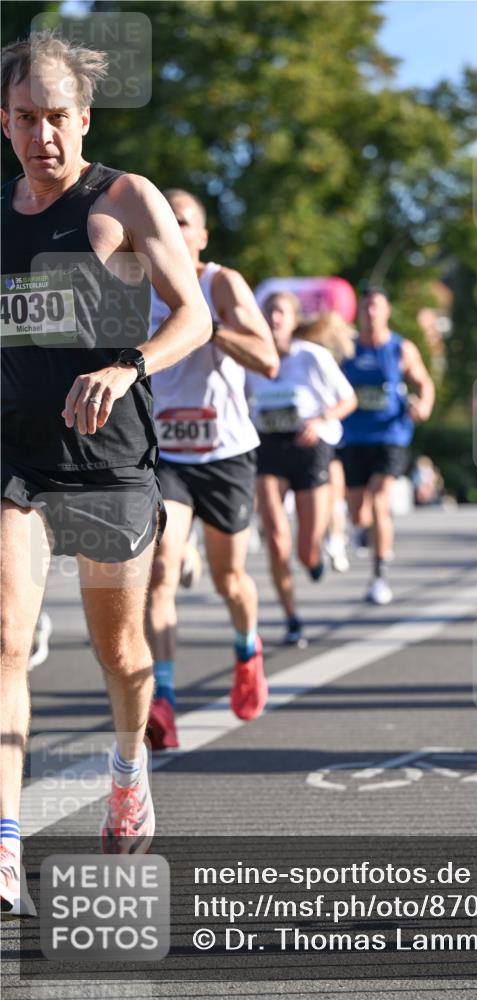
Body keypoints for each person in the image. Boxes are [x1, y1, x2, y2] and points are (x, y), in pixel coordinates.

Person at [1, 31, 211, 910]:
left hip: (111, 463)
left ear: (83, 118)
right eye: (24, 118)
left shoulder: (124, 197)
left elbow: (193, 315)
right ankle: (5, 845)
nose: (43, 135)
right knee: (6, 641)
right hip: (16, 458)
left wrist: (128, 363)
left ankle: (129, 767)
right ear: (3, 120)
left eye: (57, 118)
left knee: (120, 653)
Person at [145, 189, 279, 749]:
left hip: (224, 454)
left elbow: (269, 359)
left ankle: (248, 650)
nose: (173, 232)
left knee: (229, 580)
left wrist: (206, 326)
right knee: (160, 569)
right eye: (164, 223)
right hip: (166, 456)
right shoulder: (134, 286)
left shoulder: (221, 284)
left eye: (184, 223)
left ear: (201, 237)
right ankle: (164, 700)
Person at [246, 293, 357, 647]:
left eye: (281, 312)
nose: (274, 318)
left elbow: (348, 399)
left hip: (309, 448)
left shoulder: (312, 356)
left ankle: (313, 559)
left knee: (305, 549)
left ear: (294, 319)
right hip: (268, 448)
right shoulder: (251, 358)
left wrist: (320, 419)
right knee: (277, 541)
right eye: (269, 312)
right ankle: (292, 617)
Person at [340, 287, 435, 604]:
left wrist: (424, 405)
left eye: (376, 307)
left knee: (380, 501)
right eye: (365, 307)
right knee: (357, 511)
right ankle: (366, 532)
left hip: (391, 435)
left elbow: (424, 382)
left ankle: (379, 576)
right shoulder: (346, 349)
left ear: (387, 311)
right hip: (353, 437)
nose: (370, 313)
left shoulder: (400, 349)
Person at [296, 311, 356, 573]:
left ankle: (335, 540)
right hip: (319, 432)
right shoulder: (304, 353)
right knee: (331, 491)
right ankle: (328, 540)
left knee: (335, 491)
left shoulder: (331, 355)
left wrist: (325, 416)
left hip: (331, 429)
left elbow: (347, 397)